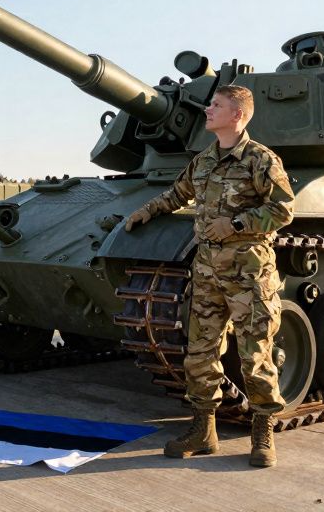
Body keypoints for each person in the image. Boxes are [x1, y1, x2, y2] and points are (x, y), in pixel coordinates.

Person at [124, 85, 294, 467]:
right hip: (207, 272)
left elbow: (283, 210)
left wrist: (235, 224)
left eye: (216, 105)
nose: (207, 109)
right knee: (200, 353)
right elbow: (177, 194)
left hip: (249, 274)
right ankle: (203, 430)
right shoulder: (203, 161)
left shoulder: (259, 159)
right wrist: (146, 211)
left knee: (255, 354)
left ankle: (262, 433)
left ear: (237, 114)